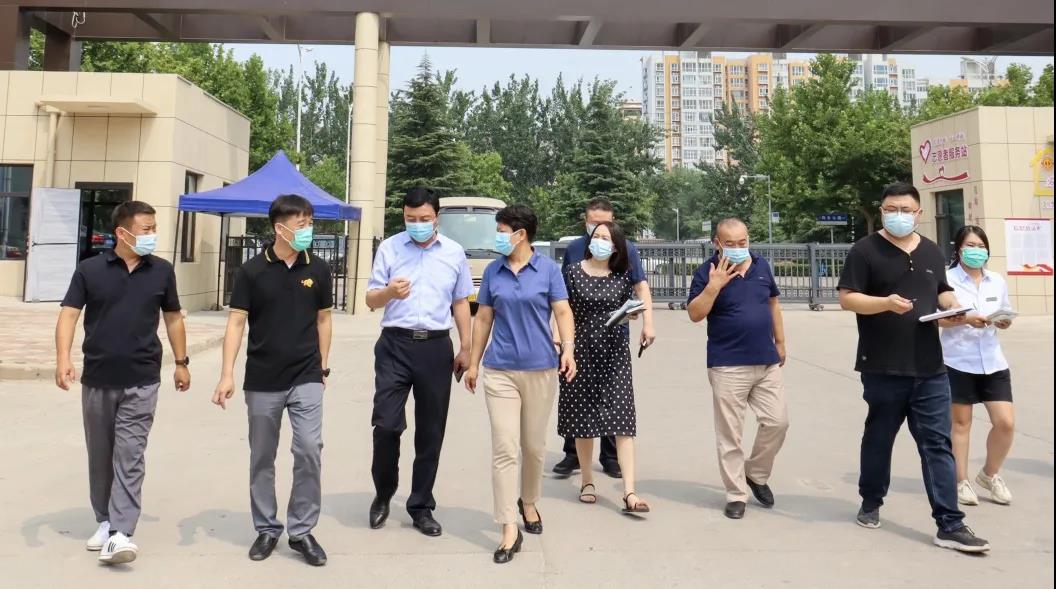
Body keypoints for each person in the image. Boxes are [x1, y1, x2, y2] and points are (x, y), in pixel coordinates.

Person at [837, 182, 990, 553]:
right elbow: (848, 298)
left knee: (937, 444)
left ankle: (950, 524)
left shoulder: (932, 250)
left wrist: (955, 309)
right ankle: (871, 500)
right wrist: (885, 303)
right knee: (880, 437)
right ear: (882, 210)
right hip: (883, 366)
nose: (898, 215)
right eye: (891, 209)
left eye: (905, 210)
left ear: (918, 213)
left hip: (930, 367)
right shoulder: (864, 250)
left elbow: (941, 290)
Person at [55, 200, 190, 565]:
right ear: (122, 232)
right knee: (101, 455)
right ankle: (105, 520)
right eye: (147, 229)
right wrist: (63, 358)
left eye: (154, 228)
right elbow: (69, 315)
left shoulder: (161, 271)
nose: (153, 235)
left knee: (130, 454)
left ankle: (121, 532)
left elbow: (173, 318)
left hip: (142, 378)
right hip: (98, 378)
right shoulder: (90, 270)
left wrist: (181, 363)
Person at [212, 194, 333, 566]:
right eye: (302, 224)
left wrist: (323, 366)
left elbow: (324, 319)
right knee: (262, 456)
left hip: (306, 374)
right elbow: (236, 323)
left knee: (309, 449)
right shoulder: (252, 271)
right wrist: (227, 374)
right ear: (280, 228)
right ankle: (266, 528)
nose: (308, 230)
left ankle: (302, 531)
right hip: (263, 378)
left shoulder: (319, 268)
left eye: (310, 223)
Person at [463, 204, 577, 564]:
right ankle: (508, 527)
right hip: (500, 371)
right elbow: (483, 318)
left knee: (533, 447)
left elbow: (562, 311)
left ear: (520, 234)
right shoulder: (493, 272)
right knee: (505, 447)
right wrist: (473, 363)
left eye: (501, 231)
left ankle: (528, 502)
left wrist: (568, 349)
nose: (497, 237)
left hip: (541, 369)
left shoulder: (548, 270)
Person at [364, 187, 473, 537]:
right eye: (411, 219)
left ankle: (421, 505)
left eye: (424, 218)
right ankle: (384, 492)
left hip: (436, 348)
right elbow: (370, 299)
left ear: (436, 217)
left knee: (430, 431)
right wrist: (389, 293)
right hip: (394, 345)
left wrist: (466, 347)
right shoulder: (390, 248)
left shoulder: (454, 253)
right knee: (386, 425)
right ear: (404, 216)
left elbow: (460, 302)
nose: (418, 224)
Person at [686, 218, 789, 520]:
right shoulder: (706, 271)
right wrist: (714, 286)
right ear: (717, 243)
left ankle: (755, 473)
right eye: (729, 243)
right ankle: (736, 494)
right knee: (730, 434)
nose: (737, 248)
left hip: (766, 360)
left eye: (742, 242)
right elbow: (695, 314)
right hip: (727, 364)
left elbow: (773, 304)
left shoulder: (761, 265)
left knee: (778, 422)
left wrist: (780, 341)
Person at [553, 197, 656, 479]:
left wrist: (647, 322)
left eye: (605, 224)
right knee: (577, 398)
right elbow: (563, 300)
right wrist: (559, 336)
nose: (599, 231)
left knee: (613, 400)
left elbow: (640, 286)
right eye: (593, 223)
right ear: (585, 221)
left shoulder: (626, 248)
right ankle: (572, 454)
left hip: (613, 338)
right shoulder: (574, 250)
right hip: (579, 339)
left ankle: (610, 457)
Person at [938, 226, 1015, 506]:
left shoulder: (997, 280)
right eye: (970, 245)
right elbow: (936, 319)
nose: (976, 251)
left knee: (1005, 423)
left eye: (981, 246)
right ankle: (961, 481)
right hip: (958, 360)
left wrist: (1003, 321)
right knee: (961, 424)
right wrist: (966, 319)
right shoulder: (947, 280)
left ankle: (990, 474)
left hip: (993, 361)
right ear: (958, 249)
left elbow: (1005, 312)